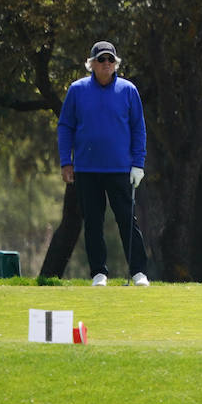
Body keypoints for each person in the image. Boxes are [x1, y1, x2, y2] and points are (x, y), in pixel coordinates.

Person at [57, 41, 151, 286]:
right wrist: (66, 162)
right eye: (101, 60)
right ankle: (99, 273)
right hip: (87, 169)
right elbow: (65, 127)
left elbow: (138, 128)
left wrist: (138, 164)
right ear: (92, 64)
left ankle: (138, 271)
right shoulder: (77, 90)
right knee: (93, 222)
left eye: (110, 60)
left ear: (116, 63)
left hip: (120, 168)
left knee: (127, 220)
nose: (106, 64)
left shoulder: (128, 90)